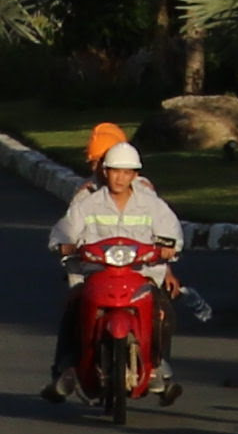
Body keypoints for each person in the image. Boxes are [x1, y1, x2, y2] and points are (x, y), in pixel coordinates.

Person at [53, 131, 184, 411]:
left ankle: (158, 368)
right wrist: (64, 244)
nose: (120, 178)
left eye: (127, 172)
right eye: (115, 171)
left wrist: (169, 249)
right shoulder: (87, 201)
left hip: (142, 276)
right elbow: (65, 230)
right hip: (94, 274)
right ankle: (65, 370)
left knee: (163, 313)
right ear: (105, 171)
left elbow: (171, 232)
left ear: (134, 174)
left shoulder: (151, 203)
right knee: (72, 310)